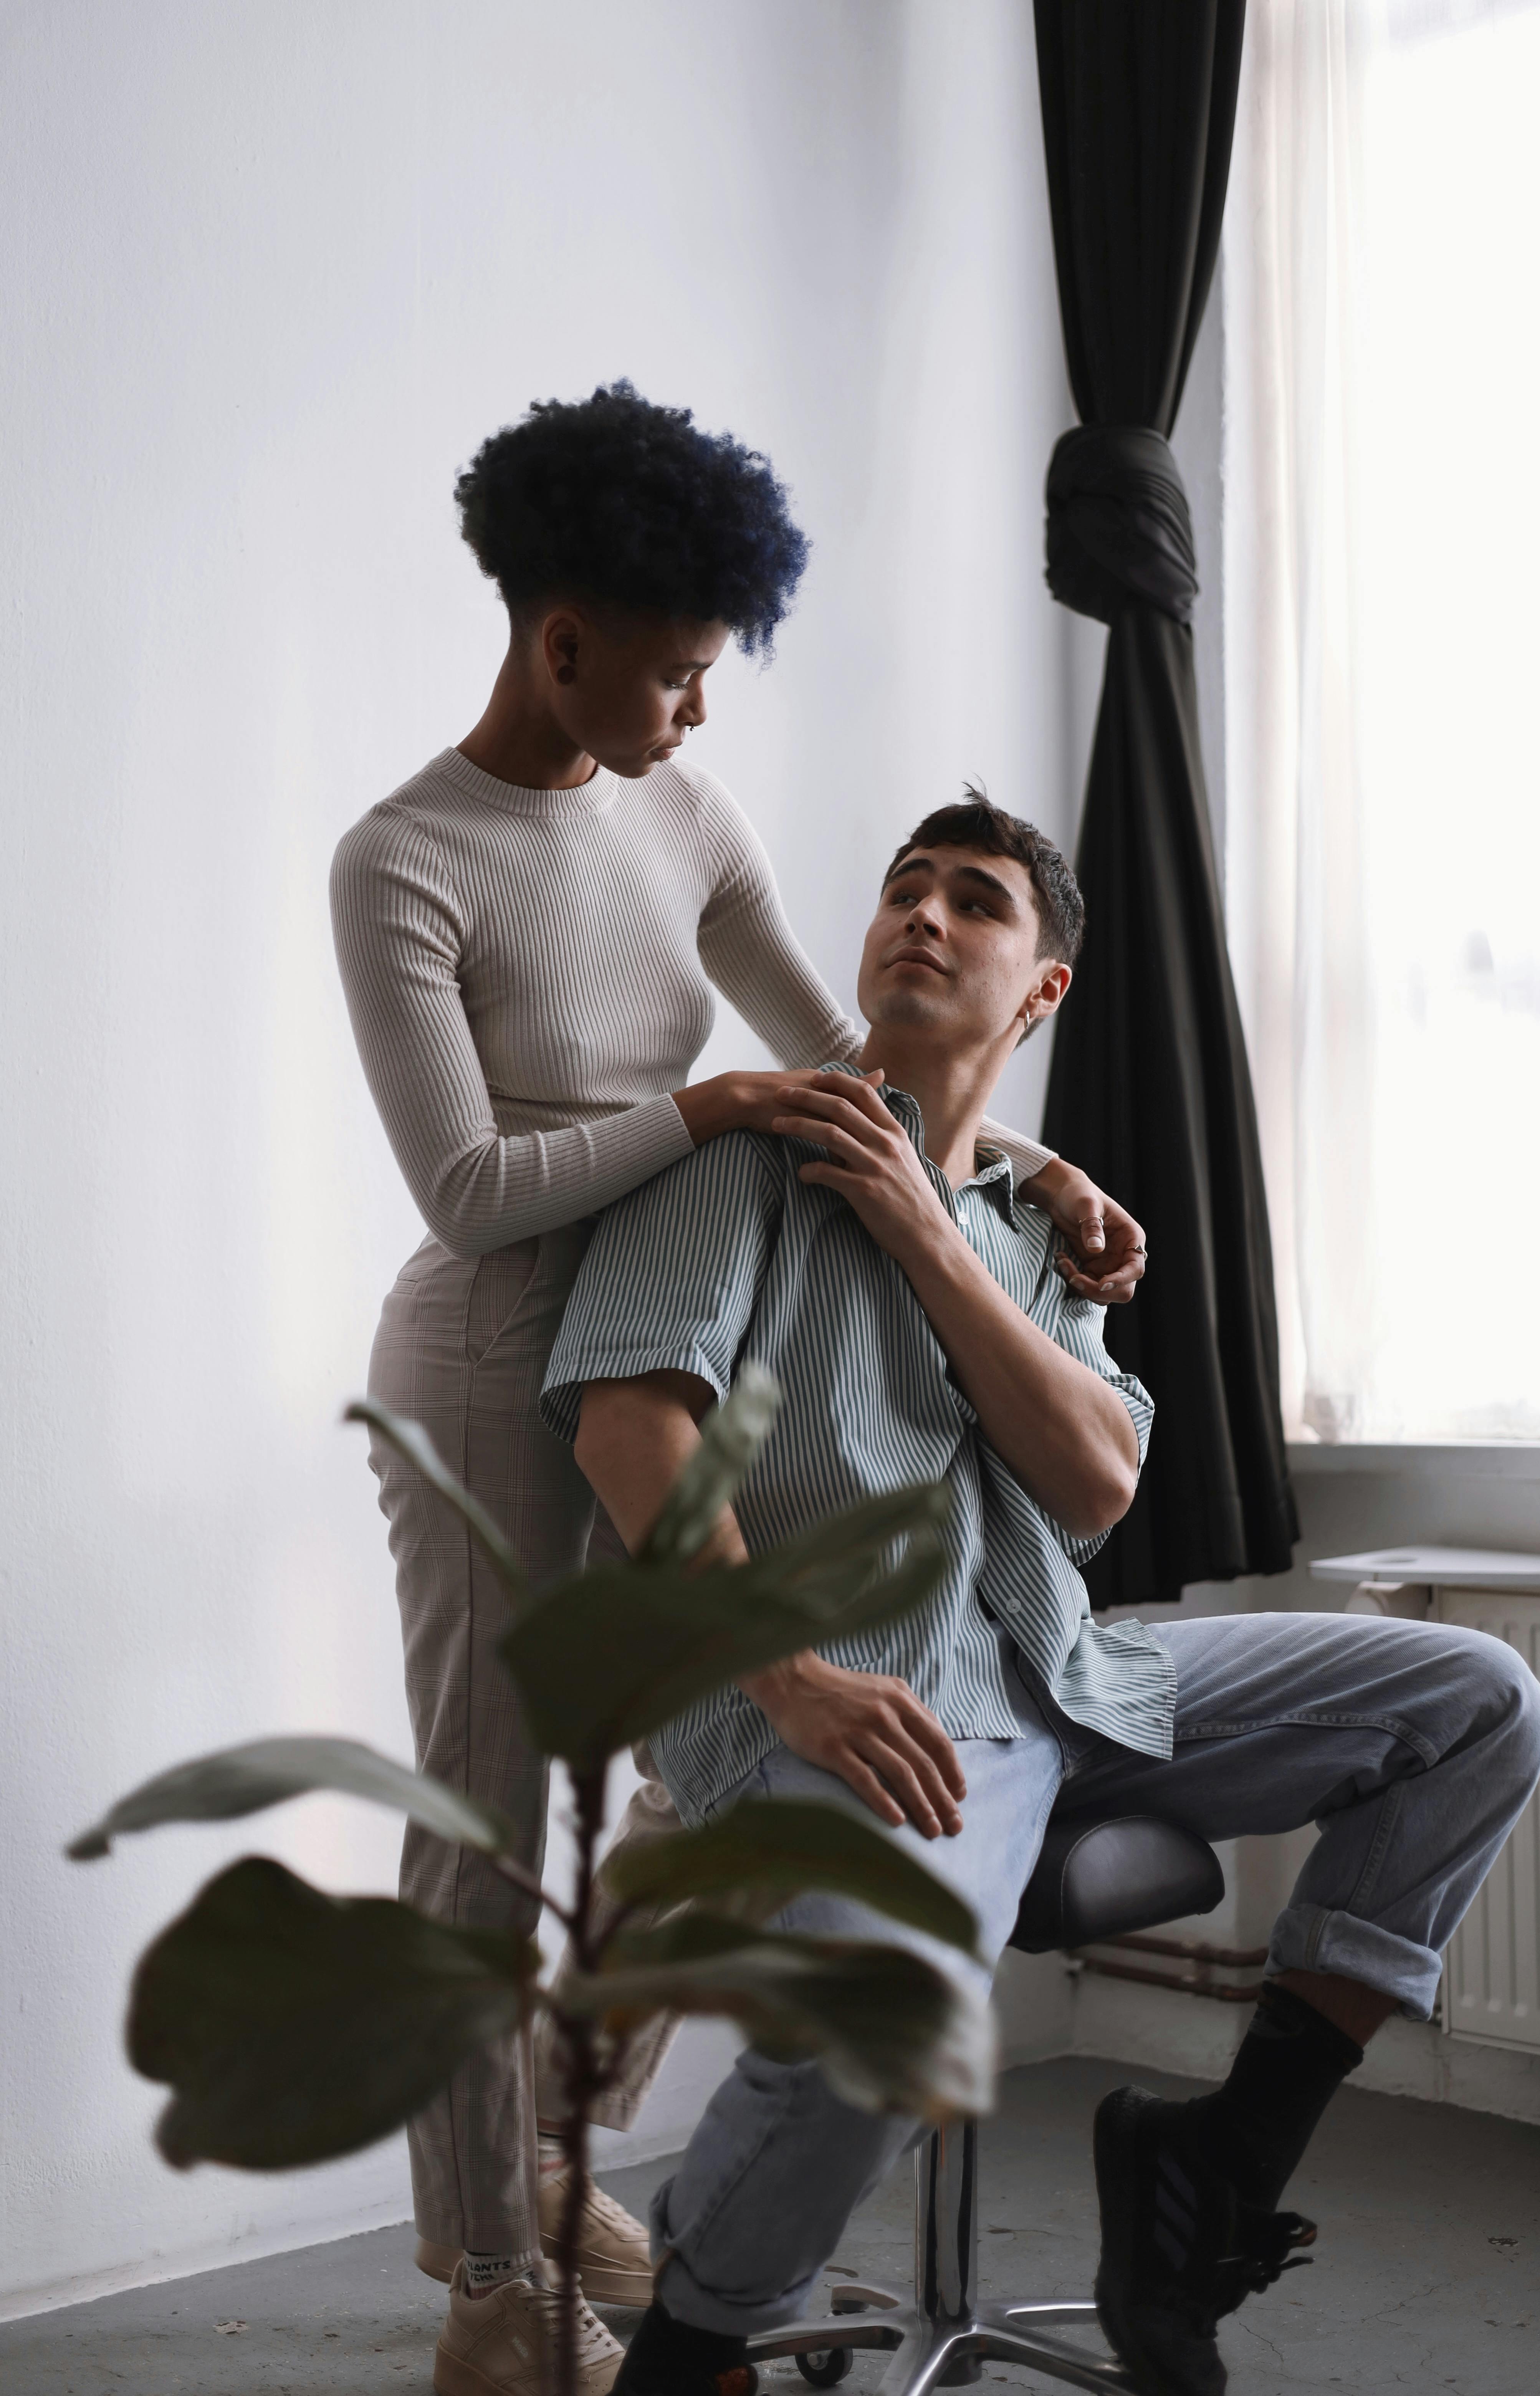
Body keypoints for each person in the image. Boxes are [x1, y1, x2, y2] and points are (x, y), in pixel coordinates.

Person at [329, 384, 1146, 2396]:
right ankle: (489, 2285)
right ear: (564, 644)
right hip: (493, 1354)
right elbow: (466, 1184)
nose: (698, 721)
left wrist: (1036, 1172)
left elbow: (843, 1058)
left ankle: (540, 2162)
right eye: (678, 678)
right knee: (499, 1818)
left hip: (686, 1328)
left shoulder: (685, 812)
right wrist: (694, 1110)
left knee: (679, 1784)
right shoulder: (406, 862)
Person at [542, 795, 1540, 2396]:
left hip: (1071, 1674)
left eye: (972, 902)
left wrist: (933, 1238)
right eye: (898, 893)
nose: (919, 920)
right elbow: (627, 1433)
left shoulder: (1046, 1231)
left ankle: (1207, 2173)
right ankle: (696, 2338)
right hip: (855, 1700)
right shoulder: (733, 1162)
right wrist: (788, 1678)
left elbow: (1089, 1486)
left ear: (1042, 988)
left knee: (1477, 1702)